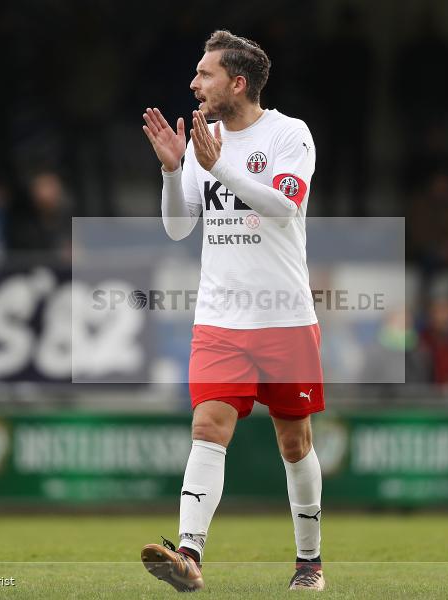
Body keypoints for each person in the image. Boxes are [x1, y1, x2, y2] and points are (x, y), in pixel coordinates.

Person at [140, 30, 324, 592]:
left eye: (205, 74)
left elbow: (284, 206)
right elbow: (177, 228)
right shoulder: (202, 140)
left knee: (295, 442)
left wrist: (220, 168)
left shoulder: (289, 134)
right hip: (220, 316)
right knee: (207, 427)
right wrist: (175, 171)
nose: (194, 84)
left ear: (237, 83)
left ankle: (309, 564)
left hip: (284, 314)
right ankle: (189, 554)